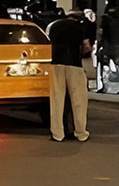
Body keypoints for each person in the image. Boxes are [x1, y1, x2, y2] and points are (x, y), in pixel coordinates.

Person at [47, 13, 90, 142]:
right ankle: (81, 133)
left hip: (56, 64)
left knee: (56, 99)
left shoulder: (53, 26)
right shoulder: (79, 27)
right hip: (74, 64)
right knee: (79, 100)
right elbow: (86, 47)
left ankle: (57, 134)